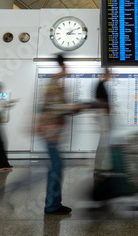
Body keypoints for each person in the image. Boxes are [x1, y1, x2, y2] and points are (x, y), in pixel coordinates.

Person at [36, 54, 82, 215]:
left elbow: (51, 107)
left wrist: (72, 108)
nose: (67, 71)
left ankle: (54, 203)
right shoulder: (54, 85)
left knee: (56, 166)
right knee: (56, 166)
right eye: (65, 67)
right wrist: (75, 107)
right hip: (51, 133)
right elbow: (57, 108)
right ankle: (51, 205)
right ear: (61, 67)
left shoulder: (53, 84)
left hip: (52, 132)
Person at [94, 68, 112, 172]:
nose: (110, 77)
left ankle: (100, 164)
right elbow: (97, 101)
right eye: (109, 74)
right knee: (103, 142)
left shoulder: (102, 85)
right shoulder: (100, 85)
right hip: (103, 117)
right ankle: (98, 165)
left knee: (105, 141)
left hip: (104, 117)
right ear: (106, 74)